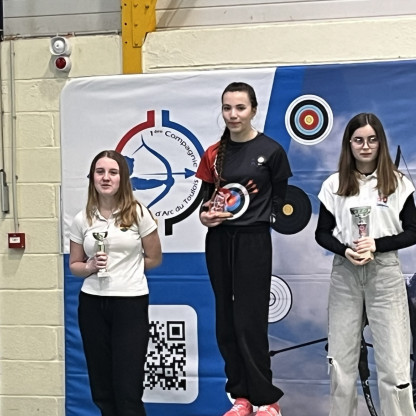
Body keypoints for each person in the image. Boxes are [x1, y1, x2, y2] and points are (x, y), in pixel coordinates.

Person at [196, 82, 292, 416]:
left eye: (240, 108)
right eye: (227, 108)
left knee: (250, 321)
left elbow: (279, 200)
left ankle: (267, 399)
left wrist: (261, 217)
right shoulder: (213, 153)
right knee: (226, 321)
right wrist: (206, 217)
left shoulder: (272, 151)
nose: (233, 114)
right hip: (219, 241)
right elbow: (204, 203)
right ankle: (240, 397)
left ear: (253, 110)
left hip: (254, 241)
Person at [315, 113, 416, 416]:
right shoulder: (334, 184)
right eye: (359, 140)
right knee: (340, 364)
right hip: (345, 273)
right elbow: (321, 233)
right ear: (349, 143)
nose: (366, 146)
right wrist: (345, 250)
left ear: (380, 142)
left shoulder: (398, 183)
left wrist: (377, 244)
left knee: (395, 367)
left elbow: (413, 230)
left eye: (372, 139)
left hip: (384, 273)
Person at [69, 150, 162, 416]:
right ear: (92, 178)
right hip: (92, 305)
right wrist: (89, 267)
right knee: (102, 389)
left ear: (123, 178)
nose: (106, 178)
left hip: (129, 304)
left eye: (113, 172)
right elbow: (75, 265)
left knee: (127, 388)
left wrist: (126, 270)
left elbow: (154, 258)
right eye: (100, 172)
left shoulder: (138, 213)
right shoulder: (82, 219)